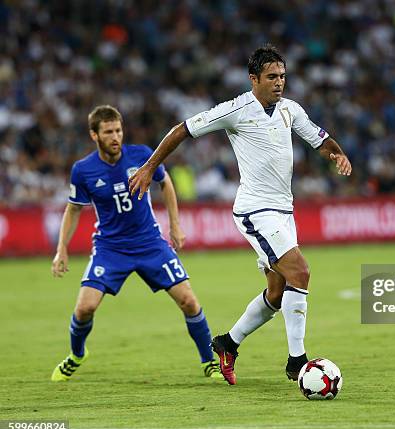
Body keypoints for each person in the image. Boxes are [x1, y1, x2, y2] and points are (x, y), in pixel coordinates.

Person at [129, 45, 352, 385]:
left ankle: (227, 343)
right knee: (300, 271)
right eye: (272, 77)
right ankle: (298, 361)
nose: (279, 83)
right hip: (255, 210)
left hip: (283, 211)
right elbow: (182, 130)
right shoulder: (236, 110)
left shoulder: (290, 110)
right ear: (254, 79)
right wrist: (149, 167)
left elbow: (319, 139)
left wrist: (337, 155)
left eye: (282, 76)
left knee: (277, 294)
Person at [51, 105, 222, 382]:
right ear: (94, 135)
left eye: (118, 130)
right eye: (108, 132)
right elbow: (73, 209)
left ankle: (208, 362)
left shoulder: (142, 155)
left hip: (150, 244)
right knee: (84, 309)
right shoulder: (83, 170)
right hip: (110, 248)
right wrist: (62, 249)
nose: (115, 136)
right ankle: (77, 355)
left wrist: (175, 225)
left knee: (189, 301)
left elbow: (165, 183)